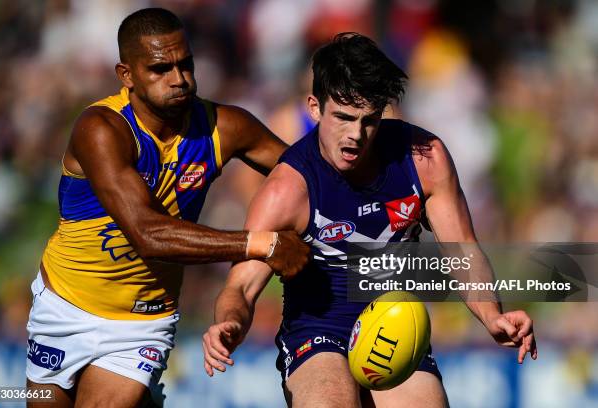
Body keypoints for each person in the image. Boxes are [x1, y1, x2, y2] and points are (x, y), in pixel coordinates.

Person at [202, 33, 538, 407]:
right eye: (343, 118)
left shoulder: (425, 159)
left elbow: (463, 252)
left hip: (393, 328)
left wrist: (492, 315)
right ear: (314, 108)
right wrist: (229, 323)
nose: (355, 136)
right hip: (318, 334)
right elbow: (241, 287)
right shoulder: (287, 190)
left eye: (369, 121)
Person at [26, 7, 309, 408]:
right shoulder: (101, 128)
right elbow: (148, 235)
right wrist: (264, 243)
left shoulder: (224, 127)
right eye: (160, 69)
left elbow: (308, 178)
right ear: (126, 75)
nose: (179, 79)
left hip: (142, 321)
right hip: (62, 307)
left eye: (185, 64)